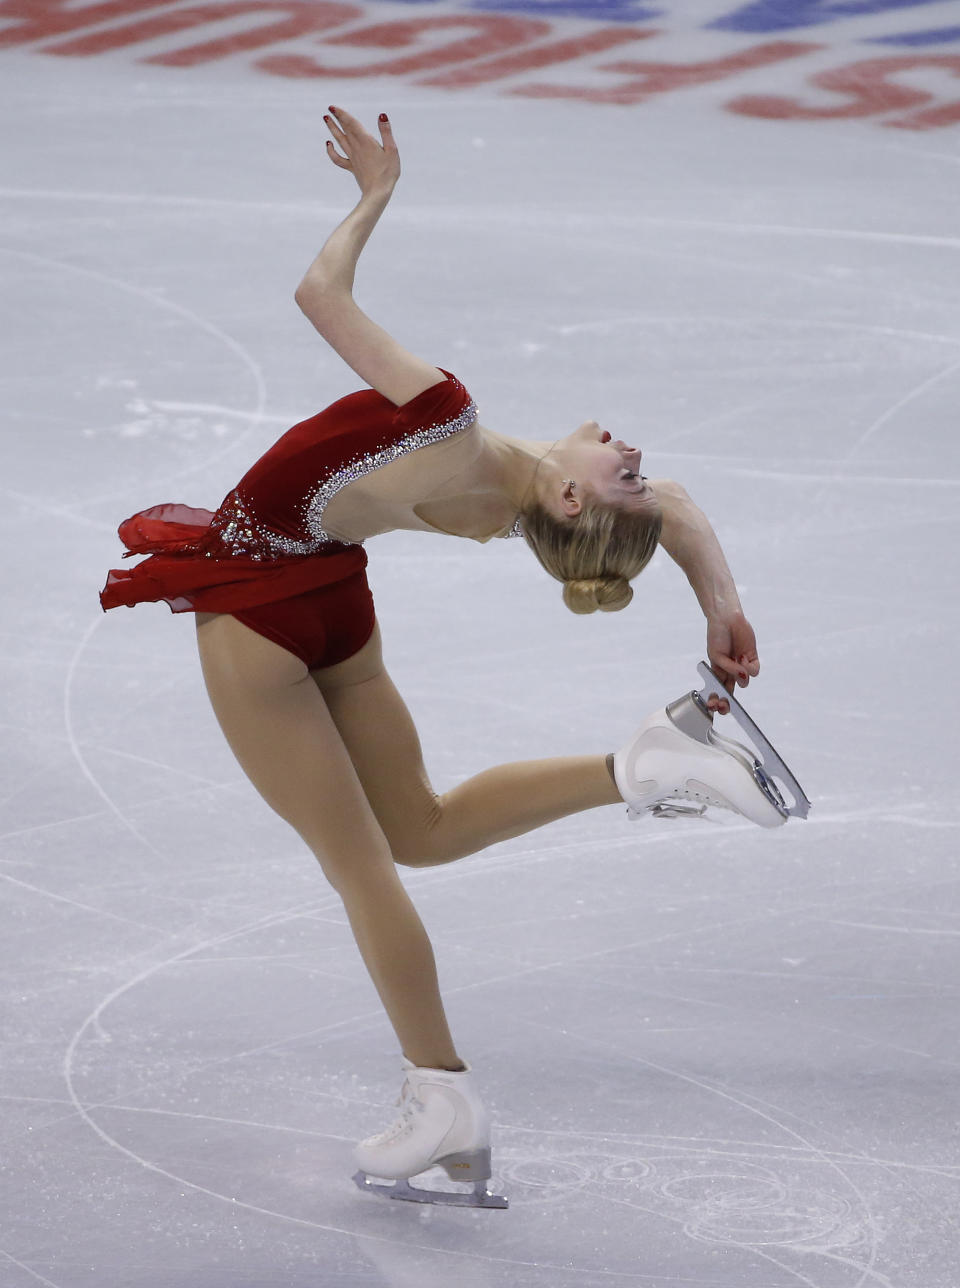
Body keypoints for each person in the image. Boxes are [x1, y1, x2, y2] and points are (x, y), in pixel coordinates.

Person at [100, 107, 778, 1209]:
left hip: (261, 604)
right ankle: (641, 766)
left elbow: (319, 298)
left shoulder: (453, 429)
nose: (632, 454)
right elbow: (677, 508)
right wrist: (720, 605)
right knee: (418, 828)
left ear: (568, 499)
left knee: (363, 863)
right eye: (631, 468)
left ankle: (441, 1095)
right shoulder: (513, 505)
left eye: (620, 472)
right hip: (331, 597)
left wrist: (373, 197)